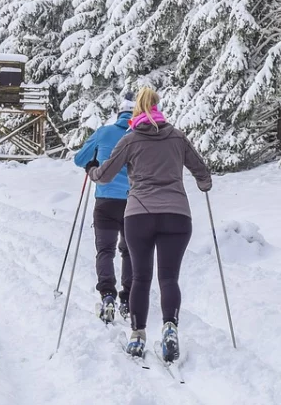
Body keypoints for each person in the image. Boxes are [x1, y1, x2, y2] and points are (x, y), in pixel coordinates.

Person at [86, 86, 212, 363]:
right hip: (177, 215)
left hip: (139, 215)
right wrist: (204, 184)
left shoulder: (130, 140)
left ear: (137, 111)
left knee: (142, 278)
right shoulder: (178, 137)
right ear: (158, 107)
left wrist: (92, 171)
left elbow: (105, 174)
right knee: (169, 278)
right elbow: (202, 171)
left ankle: (137, 336)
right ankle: (169, 327)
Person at [72, 92, 136, 324]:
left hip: (106, 201)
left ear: (119, 114)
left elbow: (80, 159)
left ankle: (107, 295)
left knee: (105, 251)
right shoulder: (140, 136)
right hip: (134, 203)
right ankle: (127, 299)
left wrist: (92, 163)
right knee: (129, 251)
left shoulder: (104, 132)